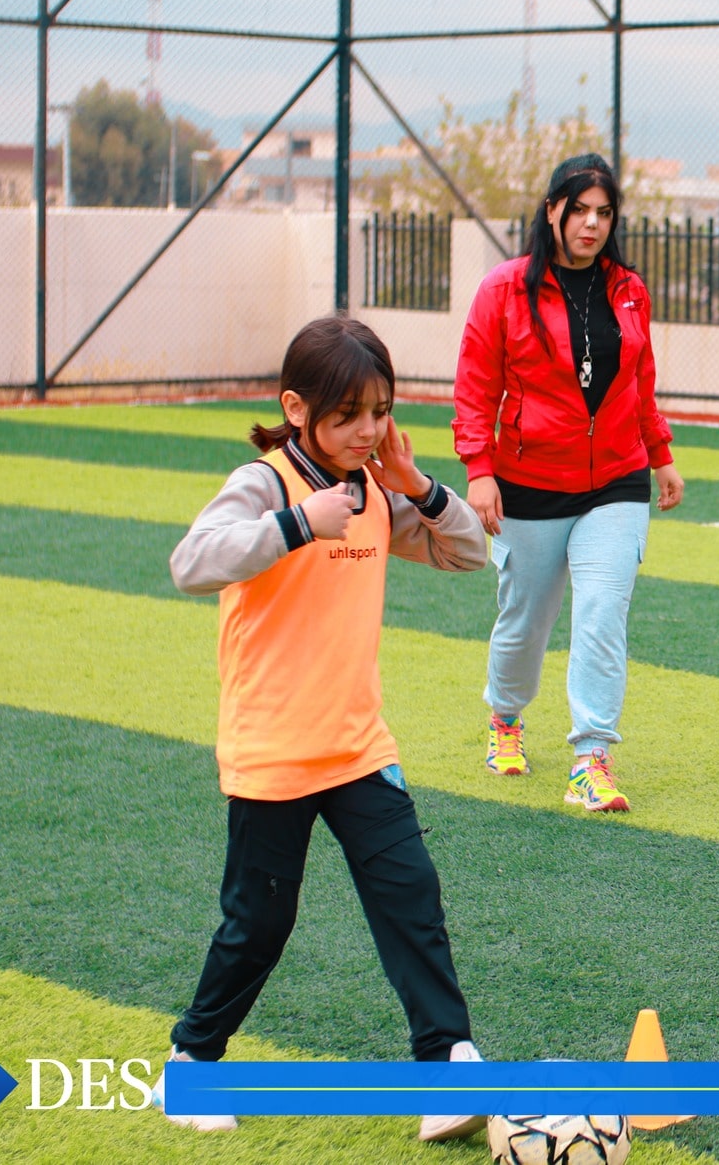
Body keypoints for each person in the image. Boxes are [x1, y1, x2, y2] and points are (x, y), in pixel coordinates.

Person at [156, 316, 491, 1143]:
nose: (368, 430)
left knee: (411, 897)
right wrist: (300, 523)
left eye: (379, 411)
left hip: (358, 746)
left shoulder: (375, 489)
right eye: (348, 415)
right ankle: (192, 1062)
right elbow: (191, 562)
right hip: (274, 750)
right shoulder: (265, 483)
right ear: (296, 408)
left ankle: (447, 1064)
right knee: (259, 925)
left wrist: (418, 486)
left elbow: (468, 552)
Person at [454, 153, 684, 808]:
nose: (591, 224)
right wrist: (479, 469)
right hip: (529, 481)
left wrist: (660, 454)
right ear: (552, 209)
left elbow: (640, 382)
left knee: (603, 612)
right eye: (579, 209)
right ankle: (505, 717)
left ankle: (591, 757)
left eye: (604, 213)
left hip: (616, 477)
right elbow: (476, 385)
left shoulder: (629, 289)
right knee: (525, 621)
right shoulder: (503, 289)